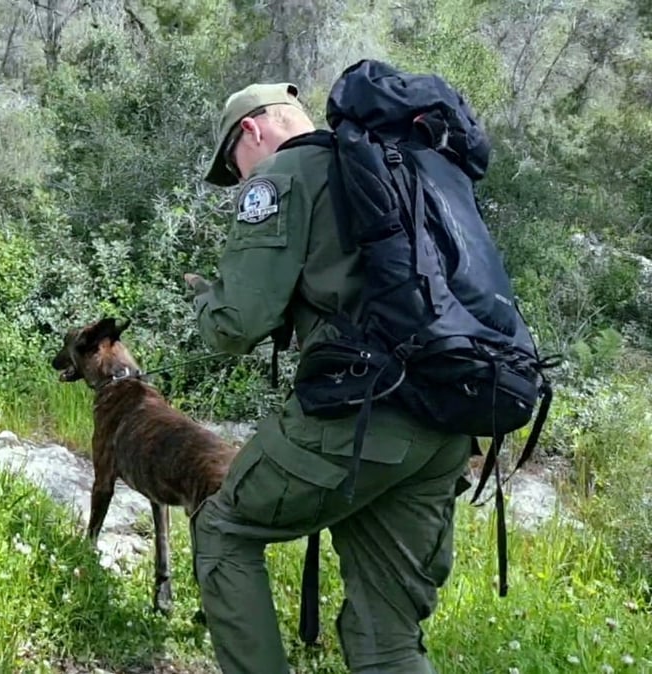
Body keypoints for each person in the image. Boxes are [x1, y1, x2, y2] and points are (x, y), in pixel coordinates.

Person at [183, 82, 474, 673]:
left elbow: (237, 323)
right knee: (387, 637)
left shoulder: (281, 176)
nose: (239, 180)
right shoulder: (404, 167)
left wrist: (206, 303)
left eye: (233, 166)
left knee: (223, 530)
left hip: (363, 413)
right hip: (450, 416)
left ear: (252, 131)